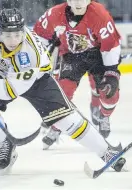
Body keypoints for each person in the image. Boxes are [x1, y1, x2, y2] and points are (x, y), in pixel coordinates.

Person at [0, 8, 125, 172]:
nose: (13, 40)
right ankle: (5, 143)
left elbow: (10, 90)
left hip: (37, 81)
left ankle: (106, 151)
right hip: (3, 74)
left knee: (66, 120)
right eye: (8, 35)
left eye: (17, 34)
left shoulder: (29, 54)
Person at [33, 0, 122, 148]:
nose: (78, 2)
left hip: (97, 55)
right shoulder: (55, 14)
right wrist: (37, 58)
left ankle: (104, 115)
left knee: (109, 93)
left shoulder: (99, 14)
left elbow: (111, 44)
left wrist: (111, 72)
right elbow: (37, 37)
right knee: (62, 92)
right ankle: (57, 126)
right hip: (71, 55)